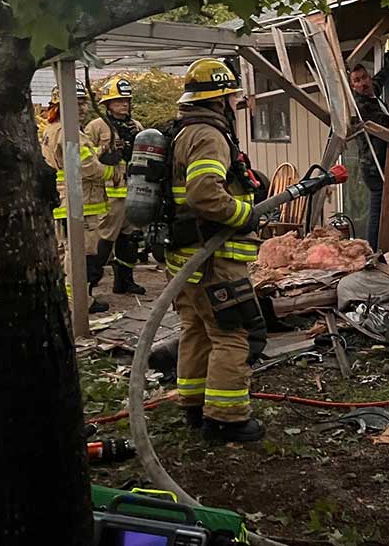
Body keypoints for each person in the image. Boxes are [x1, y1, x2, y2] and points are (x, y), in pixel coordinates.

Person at [168, 58, 268, 442]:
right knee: (232, 332)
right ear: (221, 99)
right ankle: (227, 419)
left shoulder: (183, 131)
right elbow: (204, 193)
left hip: (186, 255)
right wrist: (244, 213)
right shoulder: (208, 135)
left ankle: (195, 407)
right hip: (213, 257)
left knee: (196, 329)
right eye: (230, 98)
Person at [40, 82, 115, 314]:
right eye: (76, 102)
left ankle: (62, 295)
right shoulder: (70, 132)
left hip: (60, 198)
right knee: (79, 252)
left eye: (83, 102)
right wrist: (114, 172)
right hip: (79, 201)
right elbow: (87, 167)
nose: (82, 107)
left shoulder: (51, 128)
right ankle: (79, 302)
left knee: (64, 251)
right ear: (60, 104)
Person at [85, 75, 147, 295]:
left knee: (130, 239)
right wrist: (107, 150)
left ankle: (124, 282)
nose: (124, 104)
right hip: (109, 195)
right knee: (103, 242)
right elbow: (85, 157)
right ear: (107, 104)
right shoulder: (96, 127)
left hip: (133, 191)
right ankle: (89, 288)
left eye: (127, 100)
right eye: (119, 100)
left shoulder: (136, 126)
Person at [349, 64, 388, 250]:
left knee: (382, 206)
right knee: (377, 209)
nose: (363, 83)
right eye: (357, 81)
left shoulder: (372, 93)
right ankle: (372, 248)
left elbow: (379, 80)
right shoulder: (361, 106)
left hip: (381, 162)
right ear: (352, 86)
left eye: (364, 77)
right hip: (373, 166)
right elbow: (387, 124)